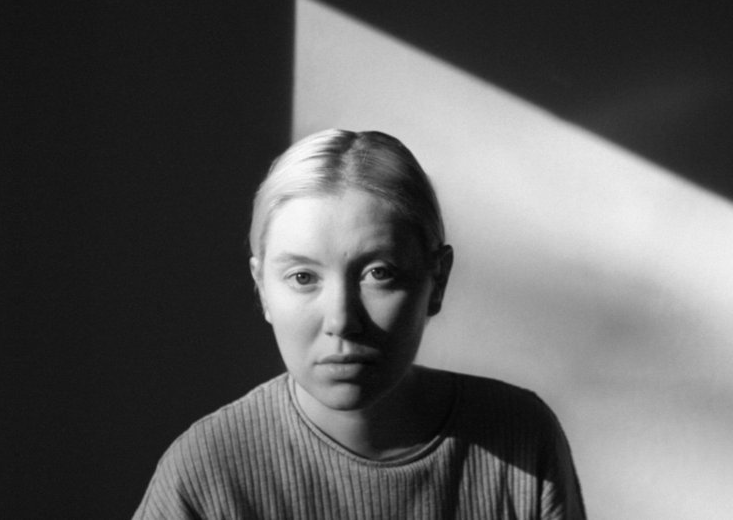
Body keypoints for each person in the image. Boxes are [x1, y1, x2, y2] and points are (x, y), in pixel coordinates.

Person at [133, 129, 586, 519]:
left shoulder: (521, 437)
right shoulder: (207, 470)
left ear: (438, 280)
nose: (342, 321)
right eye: (303, 277)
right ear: (262, 288)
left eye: (379, 273)